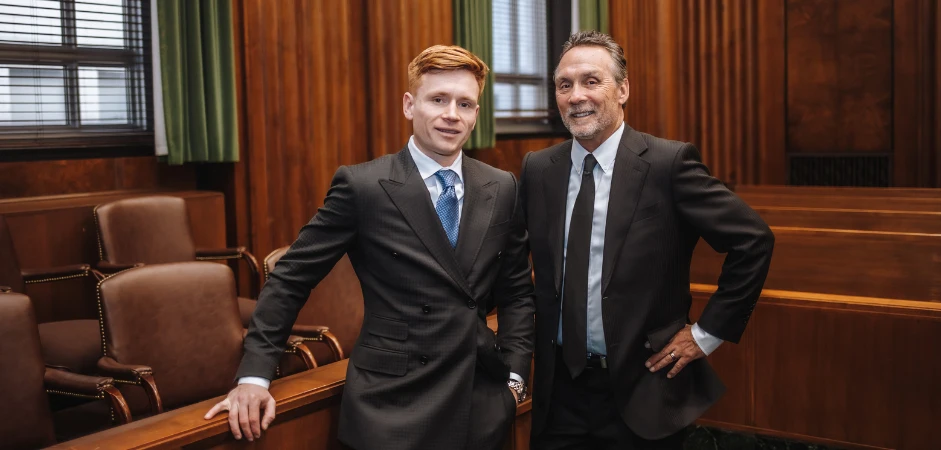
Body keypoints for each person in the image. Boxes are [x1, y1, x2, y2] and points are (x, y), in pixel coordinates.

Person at [205, 45, 535, 450]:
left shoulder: (501, 186)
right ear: (409, 105)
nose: (452, 114)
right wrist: (255, 376)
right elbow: (291, 277)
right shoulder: (363, 186)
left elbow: (518, 291)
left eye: (465, 103)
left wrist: (515, 379)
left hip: (479, 400)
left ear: (476, 115)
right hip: (391, 403)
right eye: (438, 100)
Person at [520, 31, 774, 449]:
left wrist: (705, 334)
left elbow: (754, 240)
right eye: (564, 85)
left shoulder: (667, 163)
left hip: (644, 391)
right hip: (558, 393)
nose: (576, 95)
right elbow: (516, 266)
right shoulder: (538, 168)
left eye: (591, 81)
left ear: (623, 90)